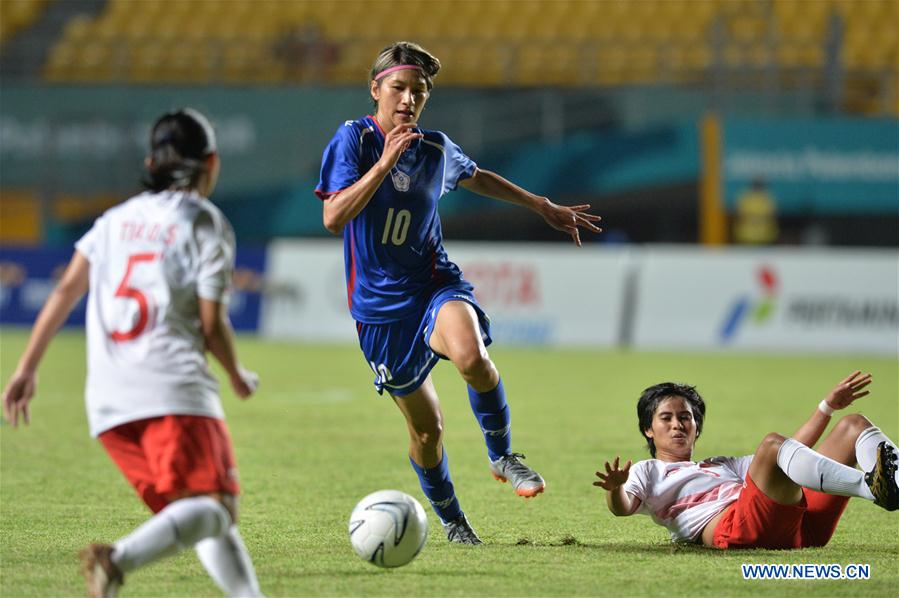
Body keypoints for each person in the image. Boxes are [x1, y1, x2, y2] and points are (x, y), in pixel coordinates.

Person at [315, 41, 602, 544]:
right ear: (375, 89)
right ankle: (453, 520)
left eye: (419, 91)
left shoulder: (435, 148)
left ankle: (502, 455)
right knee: (427, 432)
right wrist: (383, 165)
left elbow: (478, 177)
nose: (408, 99)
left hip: (434, 284)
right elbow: (333, 216)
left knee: (472, 357)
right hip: (380, 313)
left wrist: (541, 205)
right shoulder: (354, 140)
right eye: (399, 88)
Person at [2, 108, 263, 597]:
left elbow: (65, 290)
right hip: (172, 391)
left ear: (151, 163)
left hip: (108, 405)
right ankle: (115, 560)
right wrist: (236, 374)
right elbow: (211, 325)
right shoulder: (205, 222)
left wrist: (26, 368)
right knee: (217, 507)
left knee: (197, 509)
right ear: (211, 162)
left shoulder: (113, 221)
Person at [594, 371, 898, 549]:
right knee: (771, 445)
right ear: (648, 429)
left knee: (853, 425)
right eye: (666, 418)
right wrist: (614, 488)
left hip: (800, 528)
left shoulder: (719, 464)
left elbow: (793, 453)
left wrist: (827, 407)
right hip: (738, 530)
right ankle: (873, 488)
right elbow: (622, 508)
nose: (677, 424)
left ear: (697, 427)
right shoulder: (648, 470)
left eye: (685, 417)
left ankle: (891, 485)